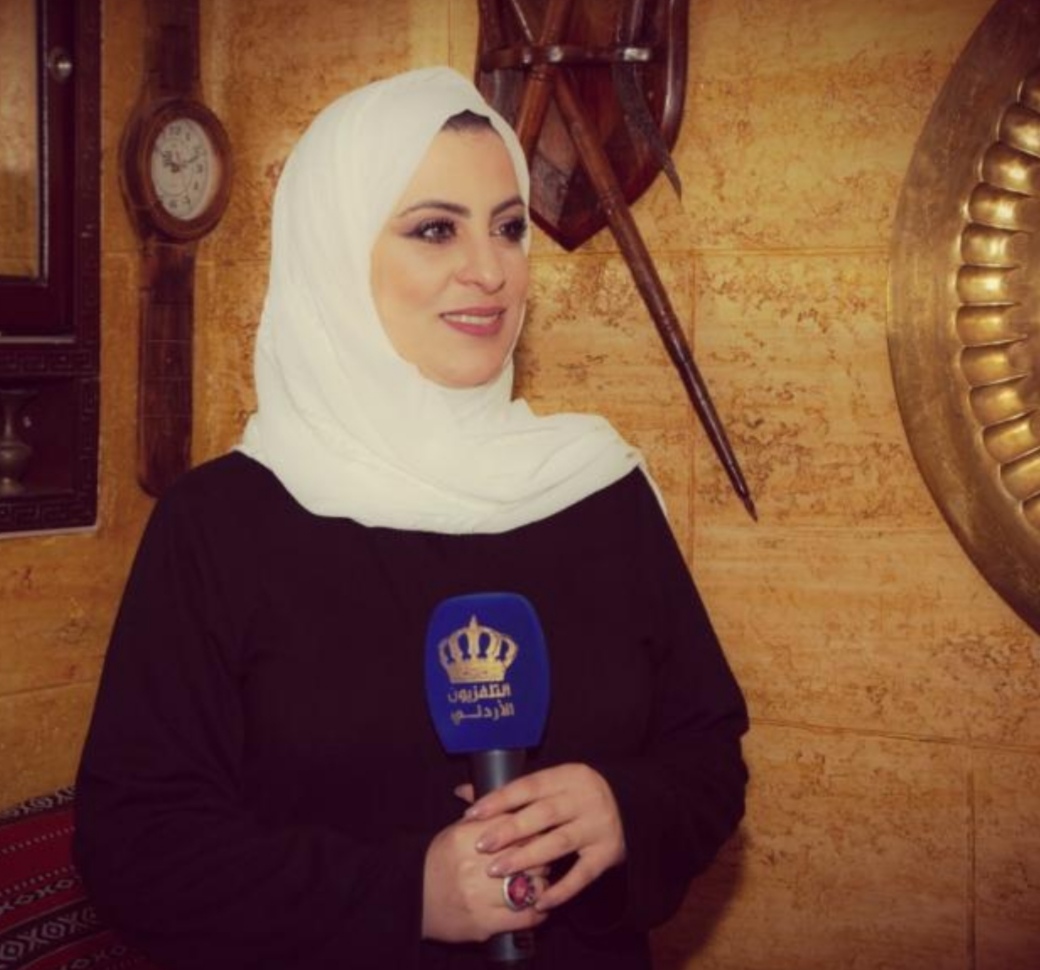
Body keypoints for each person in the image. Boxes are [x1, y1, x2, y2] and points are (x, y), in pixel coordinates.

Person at [74, 66, 748, 969]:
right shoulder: (220, 525)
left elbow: (707, 755)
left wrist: (624, 809)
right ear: (336, 251)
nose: (490, 270)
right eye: (435, 229)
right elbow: (137, 847)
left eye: (508, 228)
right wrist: (406, 894)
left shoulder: (598, 489)